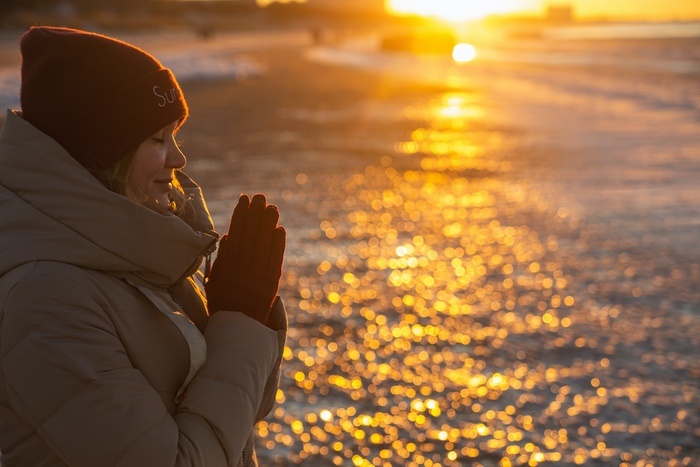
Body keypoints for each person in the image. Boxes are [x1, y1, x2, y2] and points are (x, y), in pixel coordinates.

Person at [0, 26, 287, 466]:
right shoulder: (46, 299)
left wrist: (244, 318)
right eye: (156, 139)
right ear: (99, 150)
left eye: (174, 135)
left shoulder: (140, 250)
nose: (178, 159)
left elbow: (239, 417)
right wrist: (239, 324)